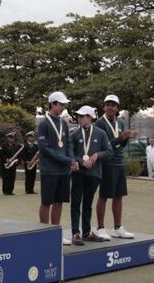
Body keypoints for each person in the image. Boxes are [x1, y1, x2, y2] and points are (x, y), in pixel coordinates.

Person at [37, 91, 78, 246]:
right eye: (61, 104)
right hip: (49, 169)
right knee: (47, 201)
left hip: (63, 170)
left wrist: (72, 159)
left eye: (64, 105)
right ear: (53, 104)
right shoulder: (44, 124)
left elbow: (68, 144)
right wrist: (67, 160)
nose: (63, 107)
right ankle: (43, 233)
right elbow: (45, 149)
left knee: (59, 201)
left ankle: (55, 233)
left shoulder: (63, 123)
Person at [95, 94, 138, 240]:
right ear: (104, 107)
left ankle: (117, 227)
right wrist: (121, 138)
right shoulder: (99, 123)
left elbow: (121, 144)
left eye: (113, 105)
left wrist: (127, 137)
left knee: (119, 195)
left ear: (117, 108)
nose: (110, 107)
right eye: (108, 104)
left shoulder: (120, 122)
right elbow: (105, 145)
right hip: (107, 162)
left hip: (119, 161)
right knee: (104, 195)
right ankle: (100, 228)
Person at [69, 106, 113, 245]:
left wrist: (96, 156)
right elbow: (70, 153)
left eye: (82, 116)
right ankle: (76, 233)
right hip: (79, 173)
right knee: (76, 202)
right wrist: (82, 161)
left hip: (94, 174)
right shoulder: (75, 134)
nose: (79, 119)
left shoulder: (101, 134)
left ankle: (87, 232)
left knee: (88, 203)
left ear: (90, 117)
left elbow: (109, 152)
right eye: (79, 116)